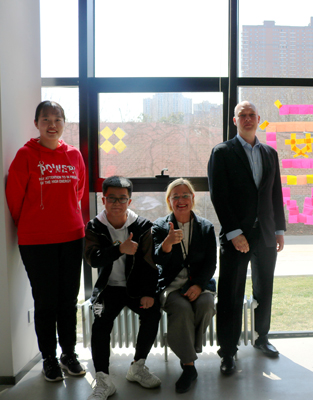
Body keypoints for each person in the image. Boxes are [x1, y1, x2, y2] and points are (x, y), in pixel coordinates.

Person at [6, 101, 86, 381]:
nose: (52, 125)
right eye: (46, 119)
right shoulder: (25, 156)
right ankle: (49, 358)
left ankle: (68, 354)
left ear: (64, 122)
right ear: (37, 123)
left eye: (57, 119)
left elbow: (78, 192)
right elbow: (14, 199)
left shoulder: (74, 155)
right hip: (37, 242)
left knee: (68, 300)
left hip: (72, 237)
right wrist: (35, 223)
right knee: (45, 301)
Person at [207, 101, 286, 375]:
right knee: (231, 294)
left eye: (252, 115)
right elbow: (219, 195)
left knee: (264, 289)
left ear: (259, 119)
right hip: (235, 236)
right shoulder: (222, 152)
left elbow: (275, 193)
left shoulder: (270, 153)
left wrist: (279, 229)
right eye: (243, 115)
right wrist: (234, 232)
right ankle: (228, 351)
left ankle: (262, 338)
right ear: (235, 120)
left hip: (266, 233)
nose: (248, 119)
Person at [84, 176, 161, 400]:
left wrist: (149, 293)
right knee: (100, 323)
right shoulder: (94, 226)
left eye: (122, 199)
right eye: (112, 198)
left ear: (129, 201)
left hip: (136, 288)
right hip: (108, 289)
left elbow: (150, 262)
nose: (117, 203)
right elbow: (93, 259)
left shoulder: (143, 226)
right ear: (103, 199)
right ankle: (103, 379)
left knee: (152, 313)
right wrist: (120, 249)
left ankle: (137, 367)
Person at [152, 178, 217, 393]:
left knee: (206, 304)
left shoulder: (205, 227)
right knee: (181, 308)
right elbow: (157, 259)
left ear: (193, 198)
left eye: (185, 195)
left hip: (199, 283)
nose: (181, 200)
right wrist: (168, 243)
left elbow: (211, 263)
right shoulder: (160, 226)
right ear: (169, 201)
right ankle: (189, 366)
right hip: (171, 285)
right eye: (175, 197)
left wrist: (198, 285)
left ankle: (188, 350)